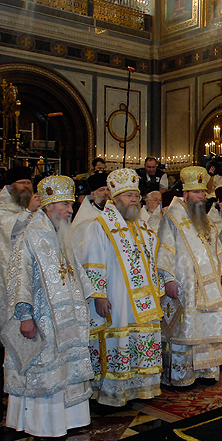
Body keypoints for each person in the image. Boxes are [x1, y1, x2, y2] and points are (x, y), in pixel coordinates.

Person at [2, 175, 93, 439]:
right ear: (48, 206)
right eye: (65, 204)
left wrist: (91, 296)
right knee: (46, 370)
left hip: (67, 320)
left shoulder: (61, 233)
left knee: (67, 369)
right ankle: (42, 425)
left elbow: (76, 272)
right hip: (42, 320)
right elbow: (18, 279)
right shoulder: (29, 235)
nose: (70, 210)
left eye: (70, 204)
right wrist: (24, 316)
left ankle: (71, 419)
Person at [75, 169, 165, 406]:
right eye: (128, 196)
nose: (134, 199)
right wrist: (99, 295)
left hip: (144, 301)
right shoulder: (100, 225)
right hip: (117, 298)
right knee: (119, 340)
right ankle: (114, 392)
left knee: (140, 339)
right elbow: (93, 261)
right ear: (114, 200)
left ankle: (139, 388)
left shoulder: (144, 227)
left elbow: (152, 262)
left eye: (136, 195)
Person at [156, 166, 222, 387]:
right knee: (186, 329)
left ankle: (207, 371)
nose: (201, 197)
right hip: (184, 285)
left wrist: (219, 277)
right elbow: (164, 249)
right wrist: (168, 279)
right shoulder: (172, 218)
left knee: (208, 328)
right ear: (185, 194)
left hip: (209, 286)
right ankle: (183, 376)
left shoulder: (205, 220)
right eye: (196, 193)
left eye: (203, 193)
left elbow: (217, 251)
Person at [0, 166, 40, 339]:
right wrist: (28, 212)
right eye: (21, 183)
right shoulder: (2, 208)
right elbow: (9, 232)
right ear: (11, 186)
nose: (26, 186)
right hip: (11, 266)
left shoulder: (31, 204)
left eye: (28, 182)